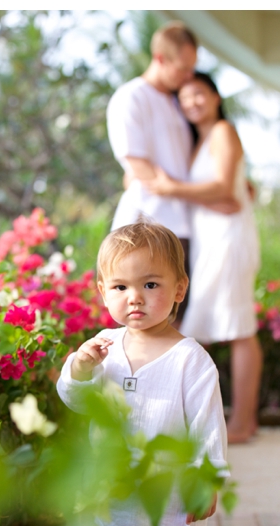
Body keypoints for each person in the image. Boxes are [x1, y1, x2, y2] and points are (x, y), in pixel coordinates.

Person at [56, 222, 228, 526]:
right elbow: (78, 401)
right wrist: (80, 369)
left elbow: (208, 424)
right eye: (120, 287)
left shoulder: (190, 360)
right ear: (103, 292)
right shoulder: (103, 347)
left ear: (179, 288)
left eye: (150, 285)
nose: (134, 297)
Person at [152, 71, 263, 444]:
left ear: (215, 96)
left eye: (198, 94)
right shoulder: (200, 141)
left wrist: (171, 188)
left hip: (229, 238)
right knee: (213, 324)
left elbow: (222, 186)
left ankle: (243, 423)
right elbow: (232, 189)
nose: (192, 103)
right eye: (184, 98)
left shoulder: (222, 132)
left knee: (239, 327)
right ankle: (224, 419)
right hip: (211, 238)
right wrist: (228, 195)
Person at [105, 21, 197, 324]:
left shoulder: (177, 102)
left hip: (183, 227)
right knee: (140, 322)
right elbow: (136, 164)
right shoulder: (131, 97)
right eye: (183, 68)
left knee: (175, 323)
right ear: (160, 58)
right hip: (146, 225)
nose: (189, 76)